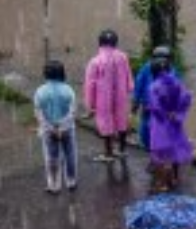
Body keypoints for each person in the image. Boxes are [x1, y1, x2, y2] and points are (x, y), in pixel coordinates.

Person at [84, 29, 133, 163]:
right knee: (121, 120)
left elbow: (90, 85)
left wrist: (90, 105)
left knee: (105, 122)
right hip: (121, 96)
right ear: (115, 43)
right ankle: (122, 150)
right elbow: (128, 75)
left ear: (99, 43)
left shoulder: (95, 61)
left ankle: (108, 153)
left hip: (102, 98)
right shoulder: (123, 57)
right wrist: (129, 88)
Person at [147, 66, 194, 193]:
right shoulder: (177, 83)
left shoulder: (154, 86)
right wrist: (177, 114)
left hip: (160, 123)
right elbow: (186, 98)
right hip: (174, 122)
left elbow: (154, 106)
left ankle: (163, 184)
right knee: (174, 151)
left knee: (159, 155)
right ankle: (174, 179)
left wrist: (160, 114)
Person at [33, 59, 77, 193]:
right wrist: (62, 127)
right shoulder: (68, 90)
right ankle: (71, 180)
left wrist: (51, 128)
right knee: (70, 154)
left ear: (45, 74)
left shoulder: (40, 91)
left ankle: (54, 184)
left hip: (48, 130)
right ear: (62, 73)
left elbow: (38, 112)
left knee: (51, 157)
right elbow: (72, 111)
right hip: (67, 129)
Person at [131, 45, 176, 154]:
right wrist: (136, 102)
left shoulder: (173, 73)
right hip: (149, 107)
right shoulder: (147, 68)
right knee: (147, 132)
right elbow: (139, 85)